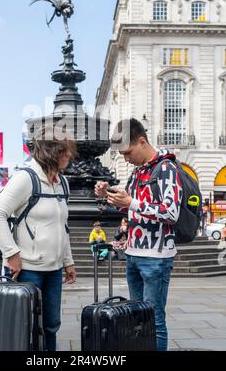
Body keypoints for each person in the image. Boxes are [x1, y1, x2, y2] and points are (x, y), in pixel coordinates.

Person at [95, 118, 183, 351]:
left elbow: (171, 212)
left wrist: (132, 202)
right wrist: (109, 196)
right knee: (138, 318)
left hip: (156, 256)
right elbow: (131, 209)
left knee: (154, 320)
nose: (125, 158)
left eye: (127, 152)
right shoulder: (137, 172)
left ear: (142, 141)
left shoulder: (166, 168)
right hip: (133, 253)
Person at [0, 124, 77, 351]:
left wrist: (68, 261)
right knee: (25, 325)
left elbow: (61, 225)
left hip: (54, 270)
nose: (69, 154)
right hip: (27, 269)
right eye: (63, 149)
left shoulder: (62, 182)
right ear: (49, 151)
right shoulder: (25, 178)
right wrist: (12, 254)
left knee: (51, 325)